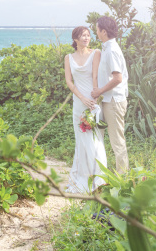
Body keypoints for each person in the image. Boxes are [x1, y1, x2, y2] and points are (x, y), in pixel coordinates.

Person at [64, 26, 107, 193]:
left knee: (95, 139)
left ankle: (99, 179)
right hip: (79, 101)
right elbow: (69, 81)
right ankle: (83, 177)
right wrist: (81, 98)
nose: (86, 38)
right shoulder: (68, 57)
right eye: (83, 35)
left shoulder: (95, 53)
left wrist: (94, 100)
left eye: (88, 35)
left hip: (93, 102)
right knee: (81, 140)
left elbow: (96, 76)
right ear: (75, 39)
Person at [91, 16, 129, 173]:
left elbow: (117, 78)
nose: (96, 32)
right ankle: (103, 172)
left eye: (97, 29)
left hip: (113, 101)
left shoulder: (112, 50)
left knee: (117, 140)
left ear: (103, 31)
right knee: (104, 137)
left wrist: (99, 91)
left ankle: (123, 177)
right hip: (107, 100)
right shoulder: (107, 48)